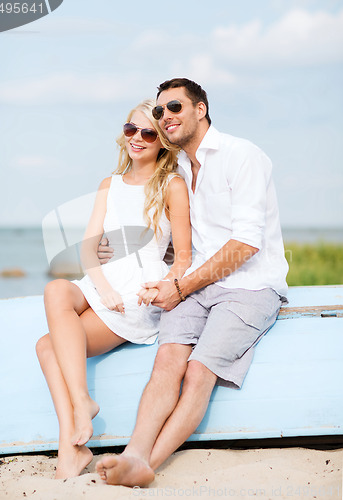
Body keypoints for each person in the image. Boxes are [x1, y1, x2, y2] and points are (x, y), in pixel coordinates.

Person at [95, 78, 289, 487]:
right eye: (161, 111)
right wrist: (149, 277)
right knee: (166, 363)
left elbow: (245, 244)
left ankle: (149, 463)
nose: (166, 117)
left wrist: (181, 287)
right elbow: (178, 241)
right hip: (197, 284)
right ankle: (134, 453)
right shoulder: (177, 168)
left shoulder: (242, 155)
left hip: (250, 286)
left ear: (200, 110)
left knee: (198, 371)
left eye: (175, 108)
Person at [35, 99, 192, 480]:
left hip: (136, 296)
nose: (137, 138)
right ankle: (82, 403)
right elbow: (90, 246)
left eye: (147, 133)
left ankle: (69, 447)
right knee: (56, 289)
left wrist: (165, 287)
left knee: (45, 346)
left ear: (161, 141)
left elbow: (183, 259)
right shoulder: (110, 183)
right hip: (103, 285)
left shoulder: (170, 185)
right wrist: (102, 289)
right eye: (130, 129)